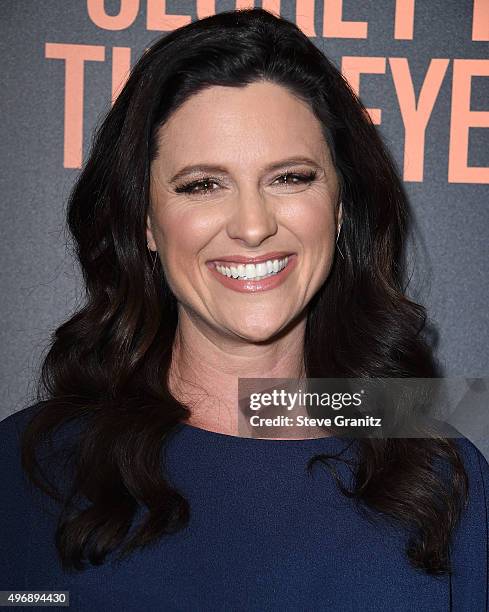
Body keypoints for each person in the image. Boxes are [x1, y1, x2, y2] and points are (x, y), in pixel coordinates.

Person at [1, 8, 487, 611]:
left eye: (290, 177)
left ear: (339, 208)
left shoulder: (437, 479)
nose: (253, 227)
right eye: (202, 184)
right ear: (145, 222)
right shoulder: (29, 471)